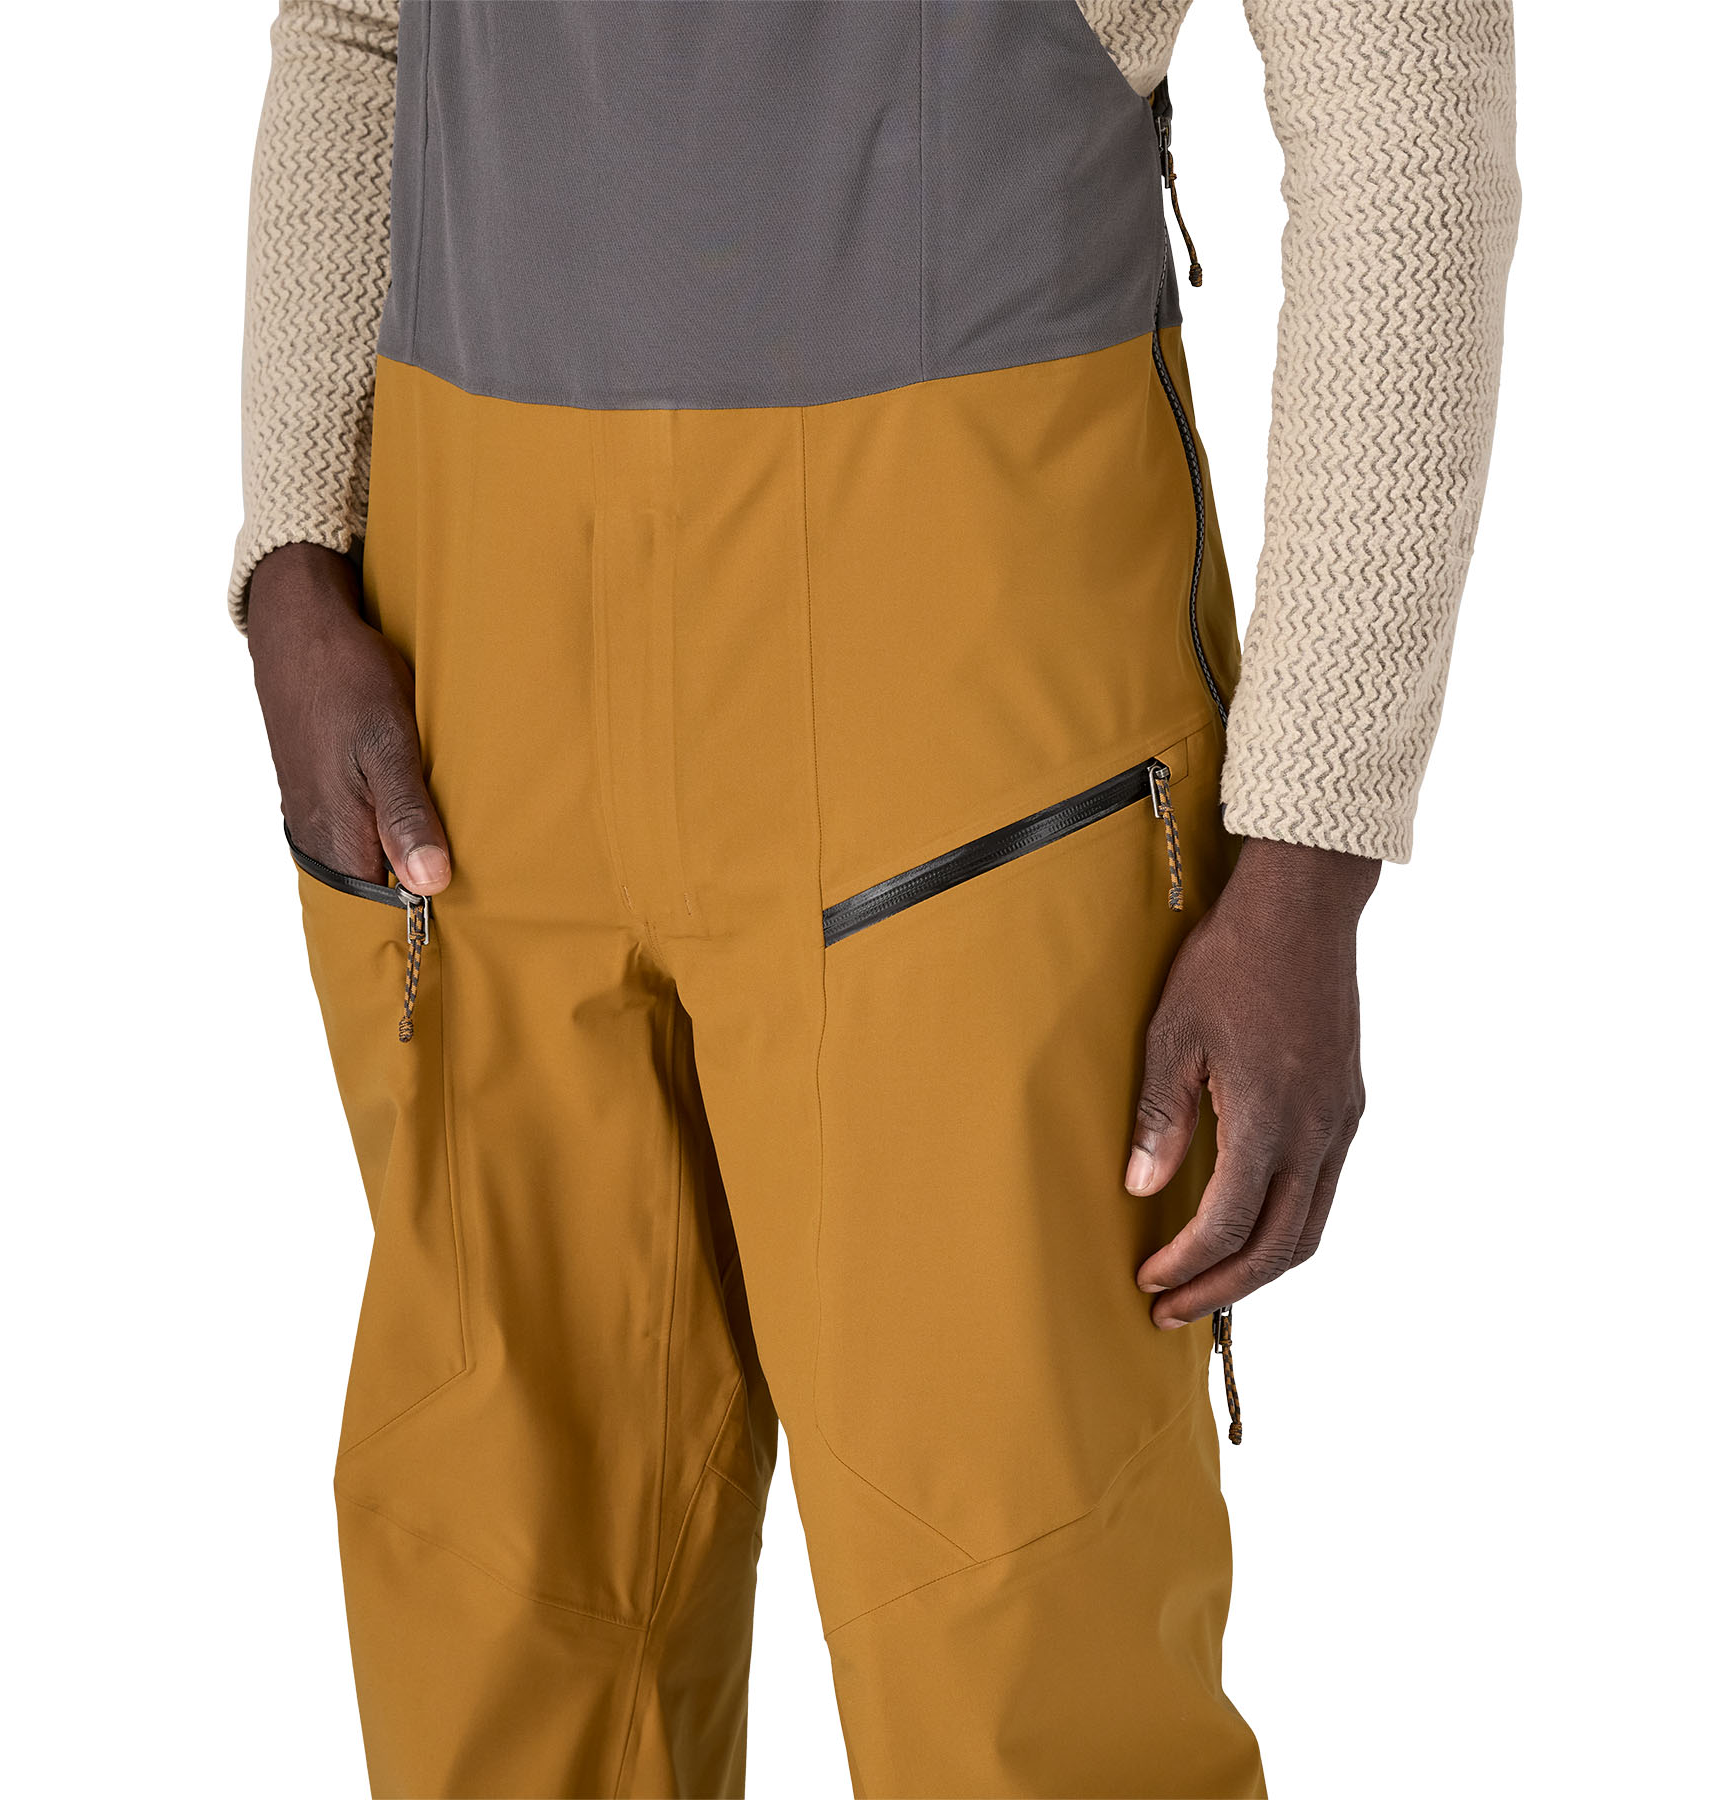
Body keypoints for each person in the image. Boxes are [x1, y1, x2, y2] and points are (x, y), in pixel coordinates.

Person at [233, 3, 1517, 1793]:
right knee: (499, 1624)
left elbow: (1406, 133)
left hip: (968, 734)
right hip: (480, 728)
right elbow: (360, 26)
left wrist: (1311, 853)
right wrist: (294, 553)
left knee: (1022, 1654)